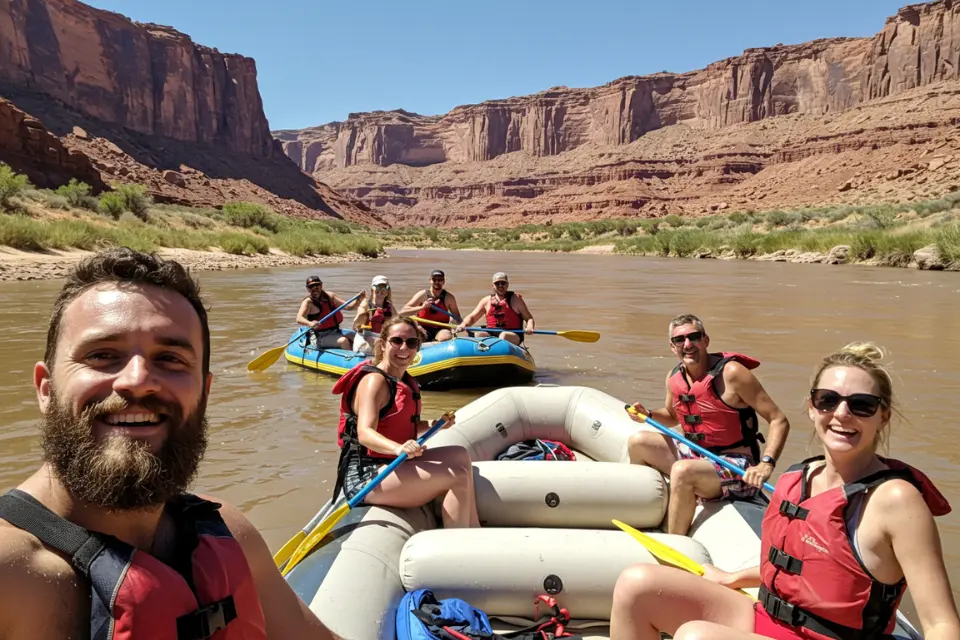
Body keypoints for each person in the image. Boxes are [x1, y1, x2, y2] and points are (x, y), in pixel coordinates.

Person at [0, 248, 336, 639]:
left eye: (171, 358)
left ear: (205, 393)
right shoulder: (10, 571)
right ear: (45, 389)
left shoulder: (229, 531)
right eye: (102, 355)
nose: (137, 380)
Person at [609, 342, 958, 640]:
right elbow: (801, 566)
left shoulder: (896, 500)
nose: (841, 413)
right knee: (636, 584)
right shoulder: (797, 479)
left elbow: (942, 622)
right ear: (811, 407)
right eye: (828, 400)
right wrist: (734, 578)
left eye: (861, 405)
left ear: (883, 416)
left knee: (697, 636)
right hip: (773, 618)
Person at [627, 313, 790, 535]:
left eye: (694, 337)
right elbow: (672, 416)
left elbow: (778, 419)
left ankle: (675, 543)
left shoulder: (732, 374)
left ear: (706, 341)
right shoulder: (674, 377)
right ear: (672, 347)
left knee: (683, 470)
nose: (687, 344)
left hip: (737, 466)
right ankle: (644, 515)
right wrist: (649, 414)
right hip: (697, 455)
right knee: (638, 442)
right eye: (680, 340)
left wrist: (766, 464)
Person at [332, 316, 479, 528]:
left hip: (392, 462)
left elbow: (401, 426)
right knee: (456, 475)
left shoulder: (401, 379)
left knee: (460, 455)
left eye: (411, 343)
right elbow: (364, 433)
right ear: (382, 344)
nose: (404, 348)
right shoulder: (375, 381)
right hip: (366, 475)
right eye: (396, 341)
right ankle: (457, 546)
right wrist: (398, 448)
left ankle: (474, 530)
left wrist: (434, 425)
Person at [454, 272, 534, 346]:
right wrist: (463, 324)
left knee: (504, 336)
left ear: (507, 285)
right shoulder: (486, 301)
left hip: (512, 334)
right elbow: (472, 317)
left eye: (503, 283)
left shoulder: (516, 300)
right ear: (493, 286)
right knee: (479, 335)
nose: (500, 286)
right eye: (497, 283)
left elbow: (529, 318)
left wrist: (529, 327)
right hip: (492, 333)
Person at [296, 274, 364, 350]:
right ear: (308, 289)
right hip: (320, 336)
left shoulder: (330, 296)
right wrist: (310, 323)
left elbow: (349, 307)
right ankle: (351, 360)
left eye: (317, 285)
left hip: (335, 331)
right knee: (344, 341)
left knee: (358, 337)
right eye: (311, 286)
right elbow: (299, 318)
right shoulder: (308, 302)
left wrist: (358, 300)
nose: (315, 288)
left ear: (321, 285)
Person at [400, 269, 462, 343]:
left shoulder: (449, 298)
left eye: (440, 280)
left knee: (445, 336)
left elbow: (458, 318)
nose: (437, 282)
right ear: (430, 280)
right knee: (417, 334)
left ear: (444, 281)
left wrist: (459, 325)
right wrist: (422, 307)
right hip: (423, 328)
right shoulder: (422, 295)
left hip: (441, 328)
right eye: (434, 279)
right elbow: (403, 312)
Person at [353, 275, 397, 354]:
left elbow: (398, 322)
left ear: (387, 291)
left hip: (381, 338)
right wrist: (365, 315)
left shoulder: (390, 307)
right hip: (364, 339)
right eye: (377, 287)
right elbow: (355, 323)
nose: (380, 291)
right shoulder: (366, 304)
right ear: (372, 290)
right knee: (376, 342)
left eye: (384, 288)